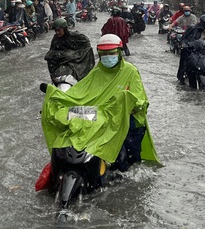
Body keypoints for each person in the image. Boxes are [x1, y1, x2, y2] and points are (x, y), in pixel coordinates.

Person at [40, 34, 160, 177]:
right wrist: (56, 97)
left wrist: (127, 103)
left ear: (120, 52)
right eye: (104, 54)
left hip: (129, 120)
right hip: (104, 119)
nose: (108, 56)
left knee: (126, 160)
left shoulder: (130, 71)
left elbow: (141, 99)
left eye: (111, 53)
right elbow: (79, 93)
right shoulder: (97, 72)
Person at [44, 18, 96, 82]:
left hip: (75, 63)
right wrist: (63, 54)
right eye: (55, 30)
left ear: (64, 29)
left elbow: (87, 46)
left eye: (59, 30)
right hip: (61, 65)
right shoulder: (56, 39)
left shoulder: (75, 37)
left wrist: (74, 54)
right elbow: (51, 52)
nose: (57, 32)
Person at [177, 14, 205, 83]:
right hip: (188, 49)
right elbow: (184, 38)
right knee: (183, 64)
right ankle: (181, 79)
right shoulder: (192, 27)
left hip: (199, 50)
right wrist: (185, 44)